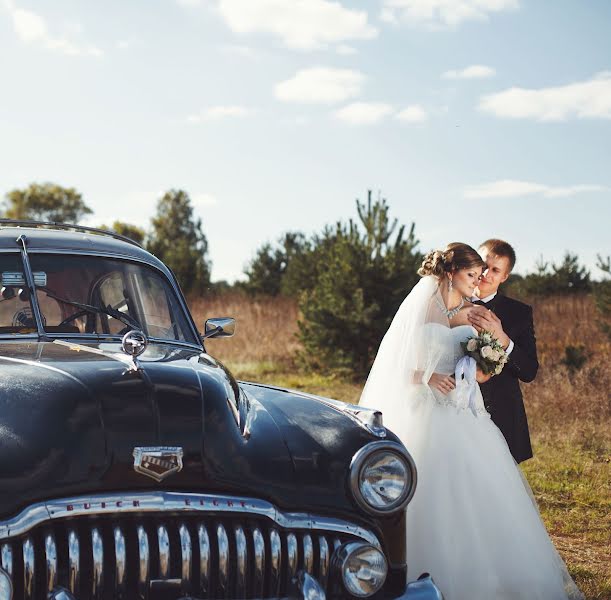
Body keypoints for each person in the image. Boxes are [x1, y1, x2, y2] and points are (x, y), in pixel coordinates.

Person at [359, 242, 581, 600]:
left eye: (485, 274)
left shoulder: (475, 313)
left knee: (480, 487)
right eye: (473, 274)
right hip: (425, 410)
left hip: (465, 412)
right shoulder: (420, 310)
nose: (479, 280)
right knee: (423, 484)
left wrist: (484, 366)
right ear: (451, 273)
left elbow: (493, 364)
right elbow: (397, 365)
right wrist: (428, 377)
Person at [468, 239, 537, 463]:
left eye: (495, 270)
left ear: (504, 277)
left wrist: (504, 340)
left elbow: (529, 372)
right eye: (482, 264)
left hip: (500, 414)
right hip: (453, 410)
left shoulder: (519, 313)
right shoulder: (449, 303)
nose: (485, 273)